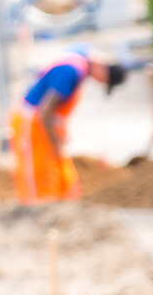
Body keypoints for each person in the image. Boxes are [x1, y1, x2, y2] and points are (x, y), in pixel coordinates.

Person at [11, 45, 126, 204]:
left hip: (44, 123)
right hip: (32, 124)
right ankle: (38, 212)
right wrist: (55, 141)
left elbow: (91, 53)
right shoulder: (71, 71)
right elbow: (45, 112)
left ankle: (59, 209)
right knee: (39, 174)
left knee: (58, 171)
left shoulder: (81, 60)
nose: (100, 84)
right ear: (104, 72)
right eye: (104, 81)